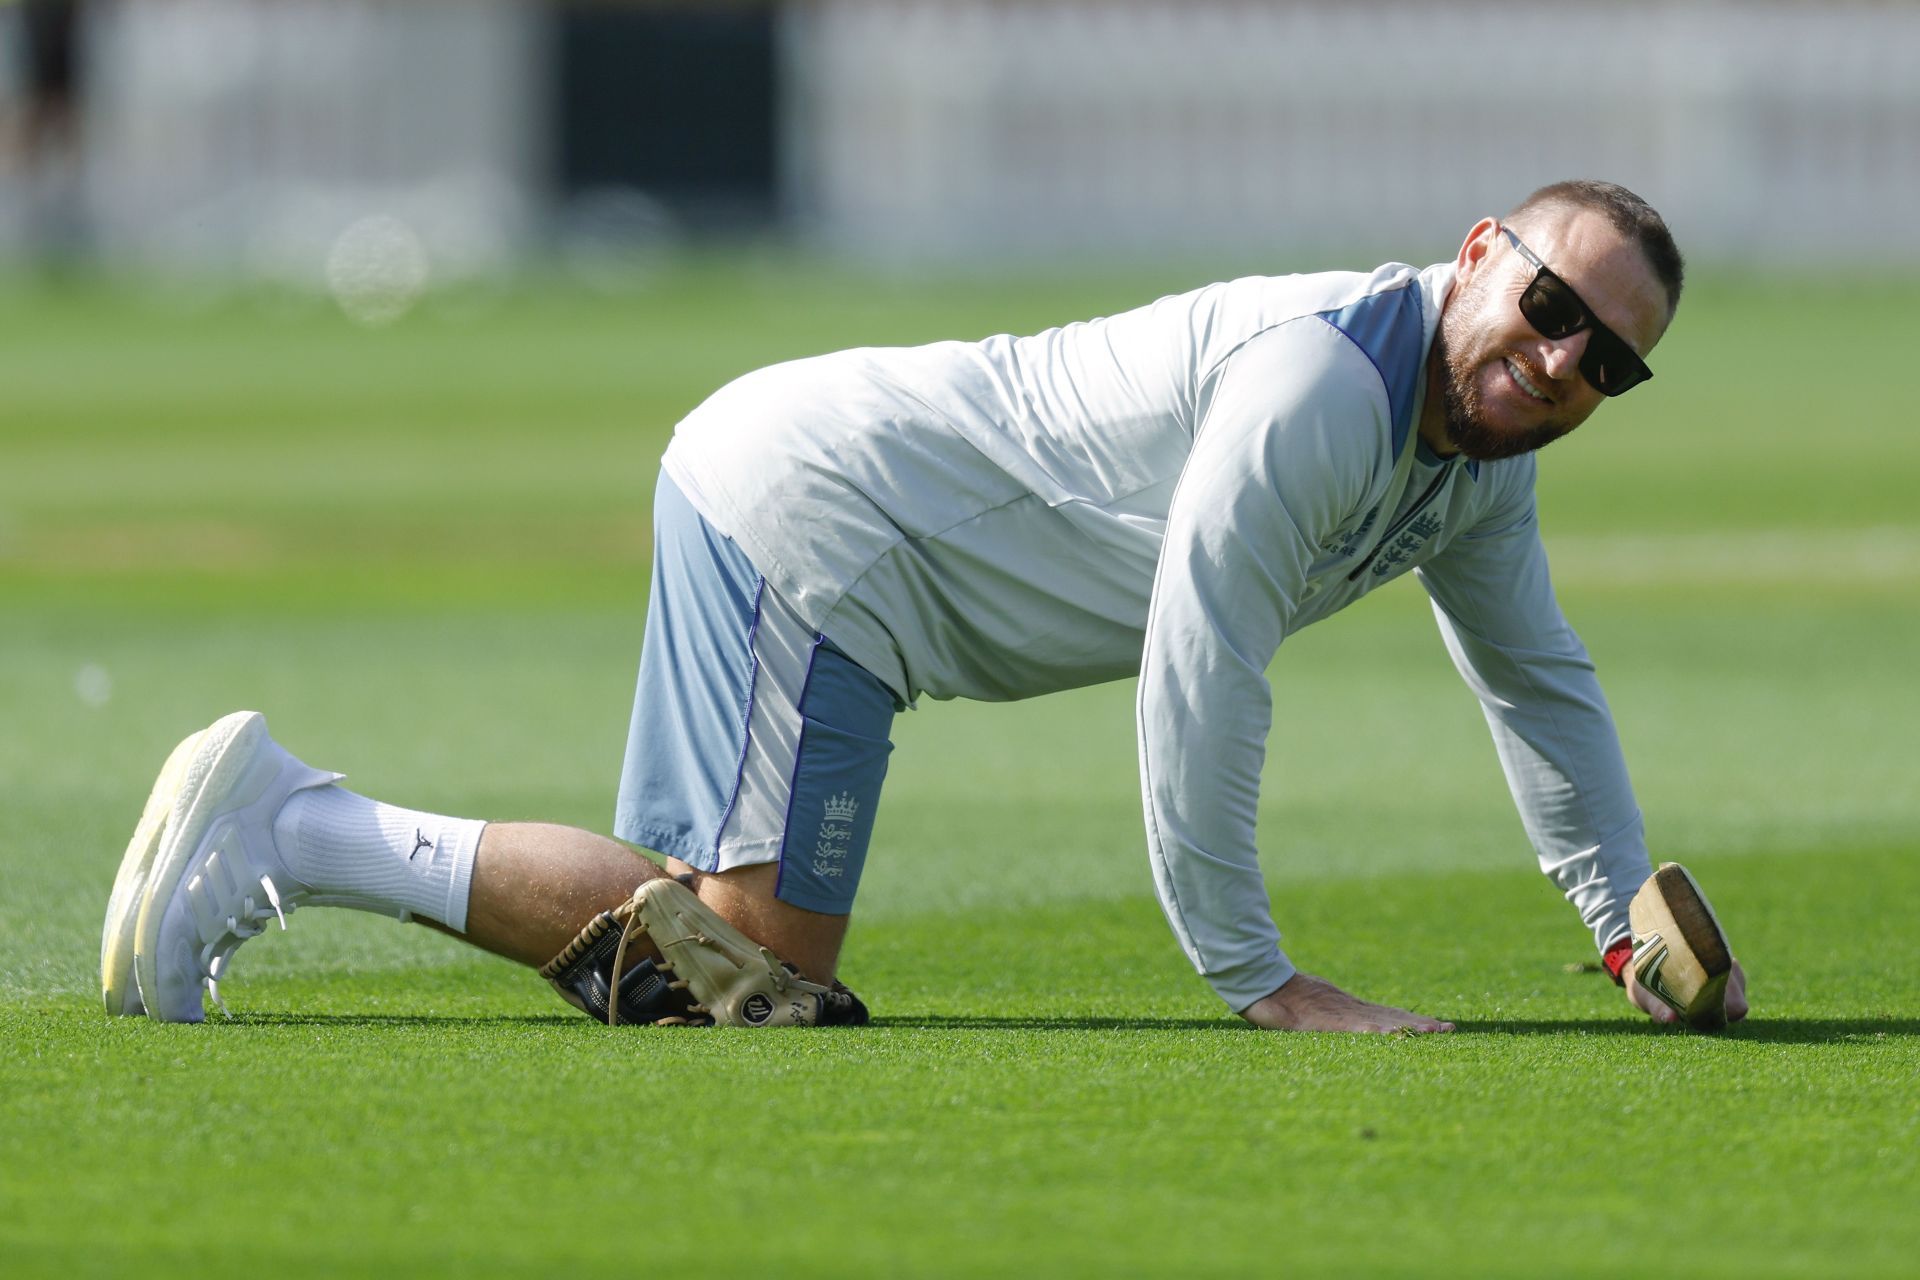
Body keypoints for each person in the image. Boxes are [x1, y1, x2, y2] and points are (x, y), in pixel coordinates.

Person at [102, 178, 1748, 1033]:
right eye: (1548, 305)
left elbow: (1540, 684)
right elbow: (1203, 661)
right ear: (1477, 254)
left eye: (1607, 361)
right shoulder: (1322, 383)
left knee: (722, 953)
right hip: (822, 524)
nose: (1557, 362)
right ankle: (290, 827)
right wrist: (1257, 974)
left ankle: (290, 823)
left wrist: (1621, 928)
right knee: (749, 975)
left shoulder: (1477, 467)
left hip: (855, 575)